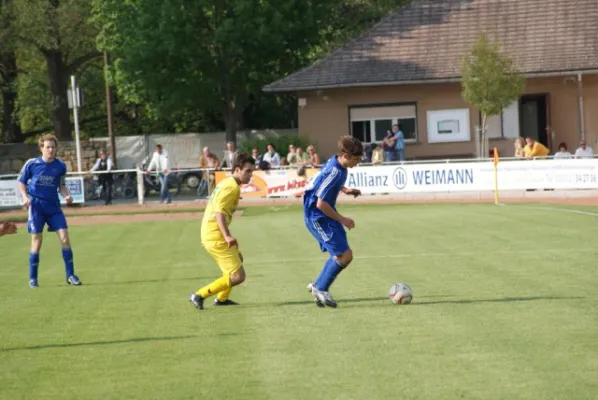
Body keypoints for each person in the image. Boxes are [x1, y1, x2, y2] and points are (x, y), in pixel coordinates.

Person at [189, 152, 255, 310]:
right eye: (248, 171)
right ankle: (199, 295)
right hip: (216, 235)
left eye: (252, 171)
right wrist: (226, 235)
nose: (250, 175)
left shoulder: (228, 183)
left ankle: (222, 298)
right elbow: (219, 213)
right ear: (237, 170)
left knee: (237, 259)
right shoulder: (231, 187)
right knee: (238, 276)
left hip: (212, 233)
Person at [303, 136, 363, 308]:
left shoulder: (336, 162)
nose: (357, 163)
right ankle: (321, 288)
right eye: (356, 159)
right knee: (345, 255)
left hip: (325, 214)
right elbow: (320, 203)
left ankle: (318, 286)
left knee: (341, 254)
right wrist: (343, 219)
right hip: (318, 216)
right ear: (346, 155)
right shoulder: (336, 171)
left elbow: (324, 182)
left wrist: (345, 189)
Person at [17, 134, 82, 288]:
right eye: (47, 147)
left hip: (53, 207)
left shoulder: (60, 166)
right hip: (36, 207)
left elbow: (61, 185)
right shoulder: (32, 164)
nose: (51, 150)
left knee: (65, 238)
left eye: (53, 147)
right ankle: (33, 279)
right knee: (37, 241)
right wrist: (25, 197)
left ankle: (71, 275)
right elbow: (21, 182)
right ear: (41, 148)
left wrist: (67, 196)